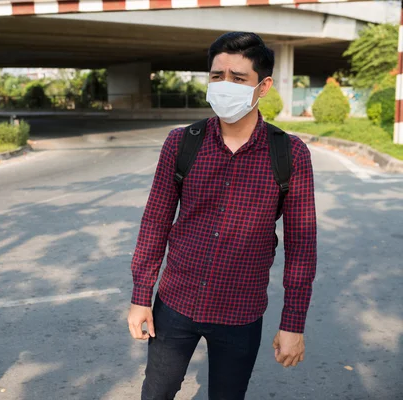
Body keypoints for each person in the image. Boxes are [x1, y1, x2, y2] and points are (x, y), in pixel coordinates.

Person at [127, 32, 317, 400]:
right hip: (176, 304)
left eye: (238, 78)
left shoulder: (290, 154)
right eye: (217, 76)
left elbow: (302, 246)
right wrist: (140, 297)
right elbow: (155, 222)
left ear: (263, 87)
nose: (224, 85)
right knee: (156, 393)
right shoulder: (182, 143)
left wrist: (293, 323)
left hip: (241, 312)